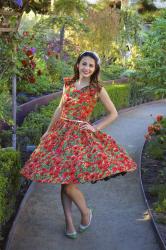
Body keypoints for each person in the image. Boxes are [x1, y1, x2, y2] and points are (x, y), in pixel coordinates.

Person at [20, 51, 137, 239]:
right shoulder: (68, 84)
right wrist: (48, 131)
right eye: (84, 64)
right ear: (77, 65)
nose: (87, 68)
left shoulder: (97, 89)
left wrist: (95, 127)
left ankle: (85, 212)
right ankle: (69, 222)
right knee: (64, 182)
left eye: (91, 65)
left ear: (95, 69)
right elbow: (60, 108)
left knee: (68, 185)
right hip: (60, 135)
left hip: (79, 138)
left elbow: (113, 113)